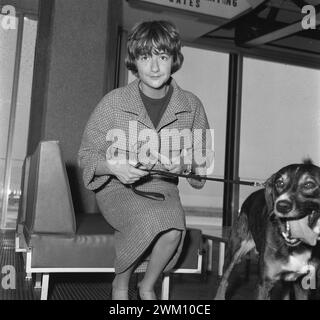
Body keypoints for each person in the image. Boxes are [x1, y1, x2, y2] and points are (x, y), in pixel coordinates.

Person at [78, 20, 213, 300]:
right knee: (152, 219)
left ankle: (147, 284)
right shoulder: (112, 102)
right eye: (145, 57)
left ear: (174, 60)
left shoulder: (192, 106)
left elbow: (202, 170)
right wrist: (112, 167)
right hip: (117, 189)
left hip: (164, 189)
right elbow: (86, 156)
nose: (154, 67)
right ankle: (120, 282)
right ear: (134, 62)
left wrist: (187, 166)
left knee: (175, 228)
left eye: (162, 57)